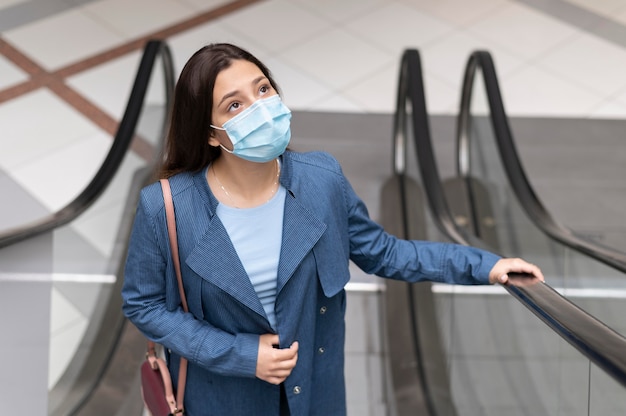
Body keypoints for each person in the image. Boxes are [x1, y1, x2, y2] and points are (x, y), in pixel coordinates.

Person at [122, 43, 544, 416]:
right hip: (222, 399)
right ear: (211, 134)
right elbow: (144, 305)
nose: (259, 108)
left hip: (315, 396)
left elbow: (384, 252)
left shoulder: (320, 180)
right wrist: (242, 355)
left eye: (263, 89)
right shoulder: (167, 207)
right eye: (234, 105)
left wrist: (484, 265)